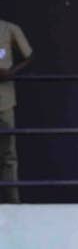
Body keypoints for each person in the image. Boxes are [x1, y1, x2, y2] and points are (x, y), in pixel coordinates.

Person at [0, 17, 33, 204]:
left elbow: (30, 56)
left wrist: (12, 72)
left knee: (8, 155)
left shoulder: (10, 28)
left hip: (4, 101)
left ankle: (12, 201)